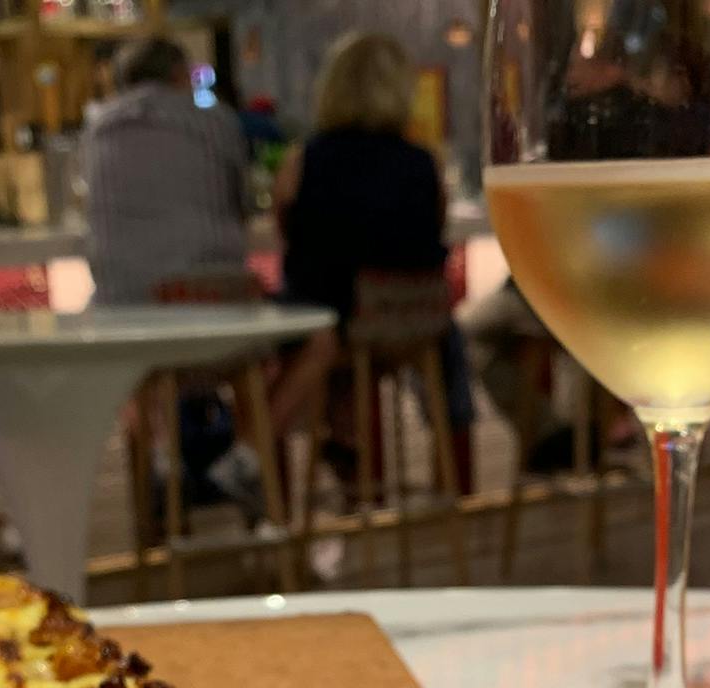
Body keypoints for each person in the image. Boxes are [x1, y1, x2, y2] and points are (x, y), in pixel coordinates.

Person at [269, 33, 464, 442]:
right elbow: (437, 225)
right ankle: (373, 463)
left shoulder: (304, 160)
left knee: (302, 330)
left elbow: (284, 229)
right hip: (414, 324)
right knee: (355, 347)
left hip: (334, 325)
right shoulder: (424, 162)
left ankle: (274, 459)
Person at [82, 37, 250, 306]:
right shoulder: (216, 122)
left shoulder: (99, 129)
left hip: (118, 301)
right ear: (179, 73)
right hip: (207, 298)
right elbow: (243, 206)